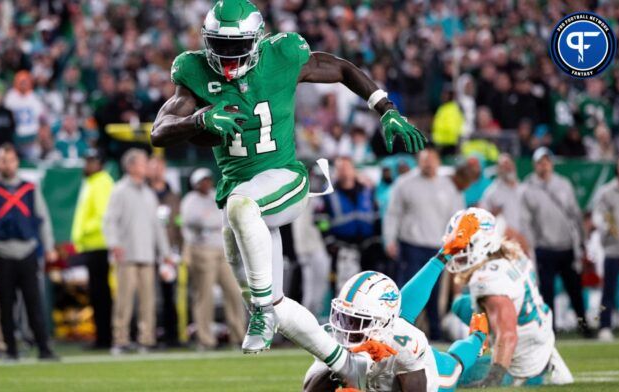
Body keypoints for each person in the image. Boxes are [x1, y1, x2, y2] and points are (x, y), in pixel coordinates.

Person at [150, 0, 426, 384]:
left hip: (284, 178)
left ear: (257, 40)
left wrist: (387, 109)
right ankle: (349, 367)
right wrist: (199, 117)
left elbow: (343, 69)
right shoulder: (194, 71)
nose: (228, 55)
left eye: (236, 45)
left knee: (242, 209)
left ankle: (260, 312)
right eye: (221, 44)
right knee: (272, 300)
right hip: (237, 190)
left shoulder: (282, 55)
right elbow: (159, 130)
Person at [303, 224, 491, 392]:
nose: (345, 329)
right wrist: (339, 368)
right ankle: (445, 254)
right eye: (343, 318)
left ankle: (478, 338)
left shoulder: (405, 342)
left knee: (453, 365)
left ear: (382, 323)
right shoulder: (331, 336)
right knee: (402, 310)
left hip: (430, 377)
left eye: (356, 321)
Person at [446, 208, 573, 387]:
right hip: (537, 331)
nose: (457, 249)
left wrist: (494, 378)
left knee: (446, 374)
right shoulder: (509, 254)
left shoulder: (488, 279)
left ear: (481, 242)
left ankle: (536, 373)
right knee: (460, 305)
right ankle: (545, 358)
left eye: (463, 243)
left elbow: (508, 335)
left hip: (523, 363)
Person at [0, 143, 58, 360]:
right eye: (3, 160)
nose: (7, 164)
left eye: (11, 159)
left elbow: (43, 220)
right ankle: (11, 349)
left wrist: (49, 247)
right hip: (1, 251)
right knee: (5, 303)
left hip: (27, 250)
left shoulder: (29, 188)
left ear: (17, 161)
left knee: (34, 302)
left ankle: (44, 347)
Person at [384, 148, 464, 340]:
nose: (428, 163)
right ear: (418, 161)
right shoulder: (404, 184)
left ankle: (434, 333)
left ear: (438, 161)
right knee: (408, 289)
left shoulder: (448, 186)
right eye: (424, 160)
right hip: (411, 244)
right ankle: (396, 331)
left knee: (435, 293)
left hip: (437, 247)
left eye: (432, 159)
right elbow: (392, 213)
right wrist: (389, 239)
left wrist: (457, 243)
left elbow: (457, 216)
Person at [103, 149, 173, 354]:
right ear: (131, 166)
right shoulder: (119, 190)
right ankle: (120, 340)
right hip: (127, 255)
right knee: (124, 302)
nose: (147, 167)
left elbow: (158, 227)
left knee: (148, 301)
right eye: (143, 163)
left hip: (147, 256)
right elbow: (109, 221)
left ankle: (146, 339)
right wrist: (114, 244)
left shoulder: (149, 193)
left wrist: (165, 252)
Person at [520, 147, 591, 336]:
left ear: (551, 164)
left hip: (566, 245)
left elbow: (575, 213)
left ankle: (583, 326)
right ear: (535, 165)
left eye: (546, 162)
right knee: (547, 292)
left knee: (575, 290)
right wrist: (532, 245)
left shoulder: (563, 184)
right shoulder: (527, 188)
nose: (544, 166)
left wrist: (582, 240)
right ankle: (549, 330)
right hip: (545, 247)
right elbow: (525, 221)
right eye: (540, 162)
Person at [180, 168, 246, 350]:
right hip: (202, 251)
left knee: (233, 291)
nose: (207, 183)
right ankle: (205, 338)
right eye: (202, 180)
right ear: (195, 183)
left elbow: (225, 218)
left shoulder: (215, 197)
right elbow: (195, 220)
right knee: (204, 295)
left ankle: (239, 335)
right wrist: (212, 221)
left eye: (208, 180)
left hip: (222, 249)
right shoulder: (190, 200)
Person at [70, 150, 114, 349]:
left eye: (91, 161)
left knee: (101, 294)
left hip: (98, 244)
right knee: (98, 294)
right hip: (92, 245)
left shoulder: (101, 182)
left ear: (100, 164)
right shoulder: (93, 182)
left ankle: (104, 338)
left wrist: (84, 232)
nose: (86, 165)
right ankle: (102, 336)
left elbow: (103, 216)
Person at [318, 156, 380, 288]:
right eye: (340, 168)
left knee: (367, 287)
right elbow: (320, 219)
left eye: (347, 167)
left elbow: (376, 215)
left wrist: (377, 238)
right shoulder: (328, 193)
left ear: (354, 170)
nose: (344, 172)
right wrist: (328, 240)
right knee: (342, 287)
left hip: (367, 246)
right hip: (341, 246)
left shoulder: (367, 190)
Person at [592, 155, 619, 341]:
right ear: (618, 168)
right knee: (608, 290)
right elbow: (598, 215)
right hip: (613, 249)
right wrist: (606, 226)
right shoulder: (606, 191)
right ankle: (605, 327)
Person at [147, 156, 182, 347]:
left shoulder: (173, 195)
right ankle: (149, 336)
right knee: (149, 297)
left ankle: (172, 336)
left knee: (170, 295)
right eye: (153, 167)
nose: (157, 171)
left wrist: (178, 249)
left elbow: (178, 224)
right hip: (148, 251)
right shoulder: (143, 193)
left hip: (168, 251)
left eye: (160, 167)